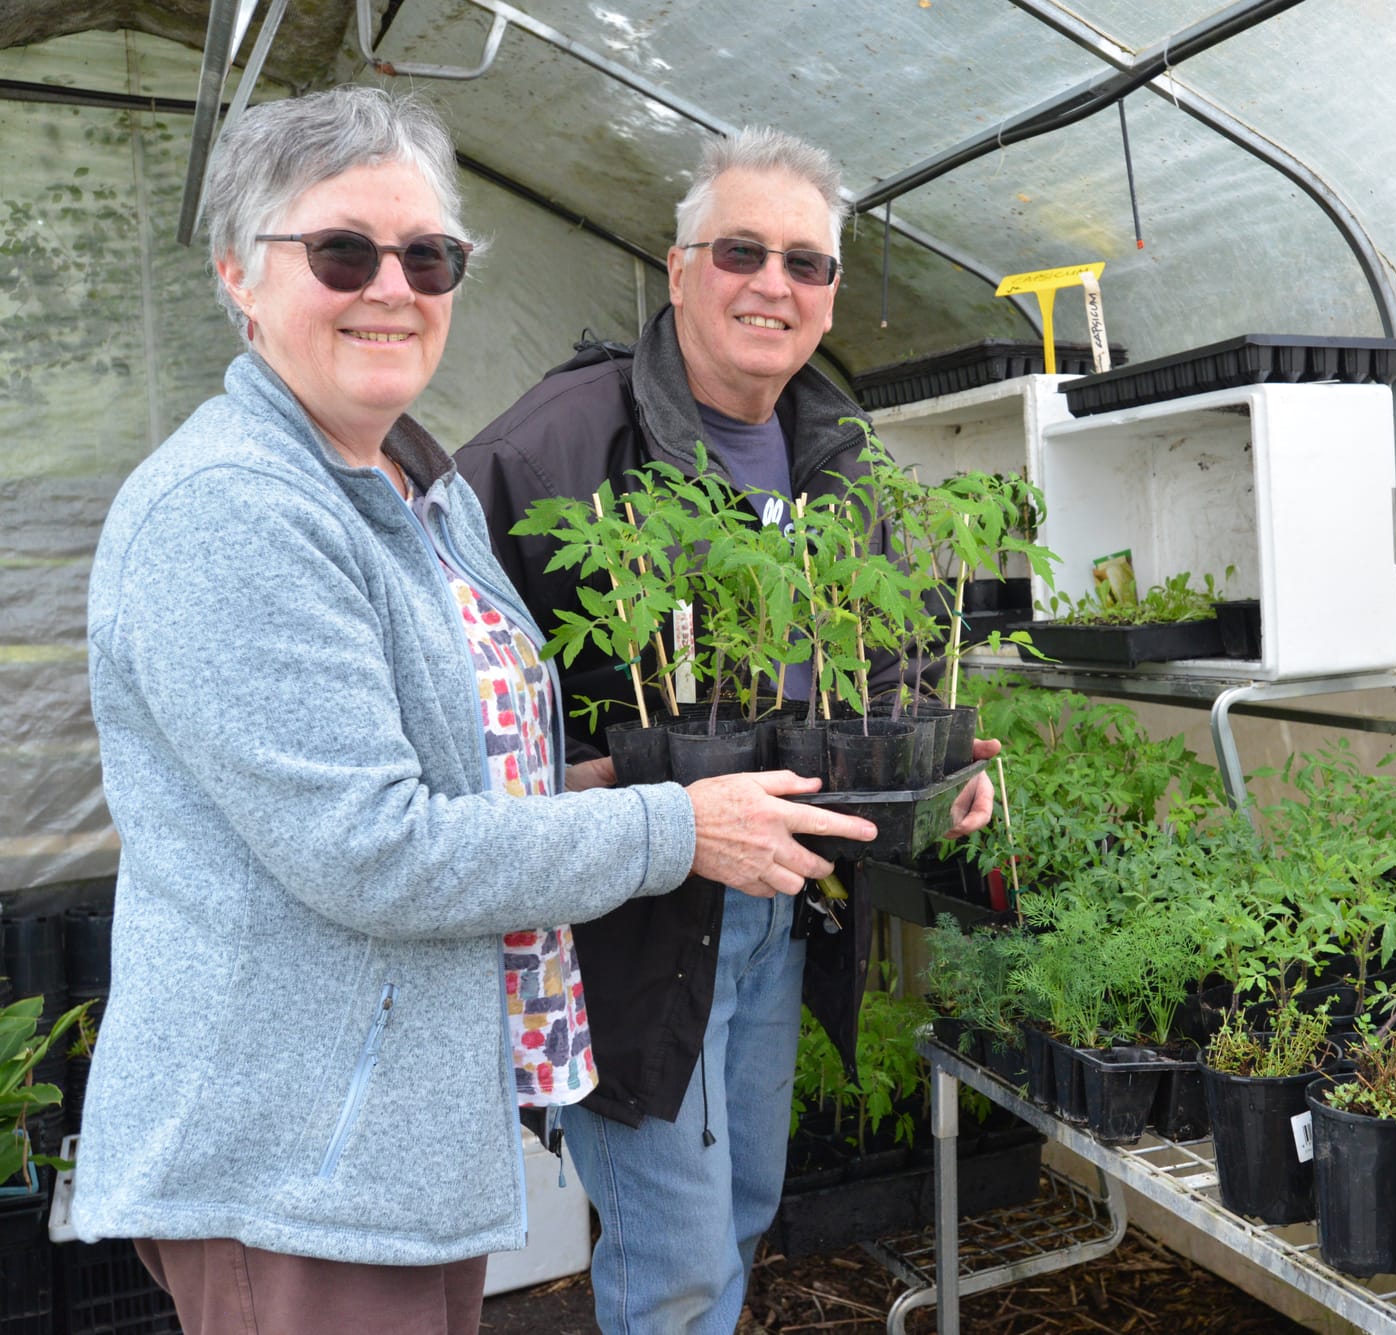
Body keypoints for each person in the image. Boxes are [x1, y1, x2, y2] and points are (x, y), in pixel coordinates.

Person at [73, 89, 873, 1335]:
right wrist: (674, 825)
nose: (393, 287)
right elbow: (374, 849)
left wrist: (602, 783)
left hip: (397, 1136)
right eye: (343, 251)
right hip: (296, 1158)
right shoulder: (232, 508)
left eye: (429, 256)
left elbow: (459, 773)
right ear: (239, 272)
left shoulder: (408, 484)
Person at [457, 126, 998, 1334]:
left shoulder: (840, 452)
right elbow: (452, 694)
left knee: (745, 1205)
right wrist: (594, 778)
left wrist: (939, 757)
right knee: (677, 1259)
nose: (773, 284)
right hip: (631, 921)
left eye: (806, 263)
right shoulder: (550, 447)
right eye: (740, 251)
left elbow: (893, 652)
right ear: (678, 269)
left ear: (830, 294)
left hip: (786, 902)